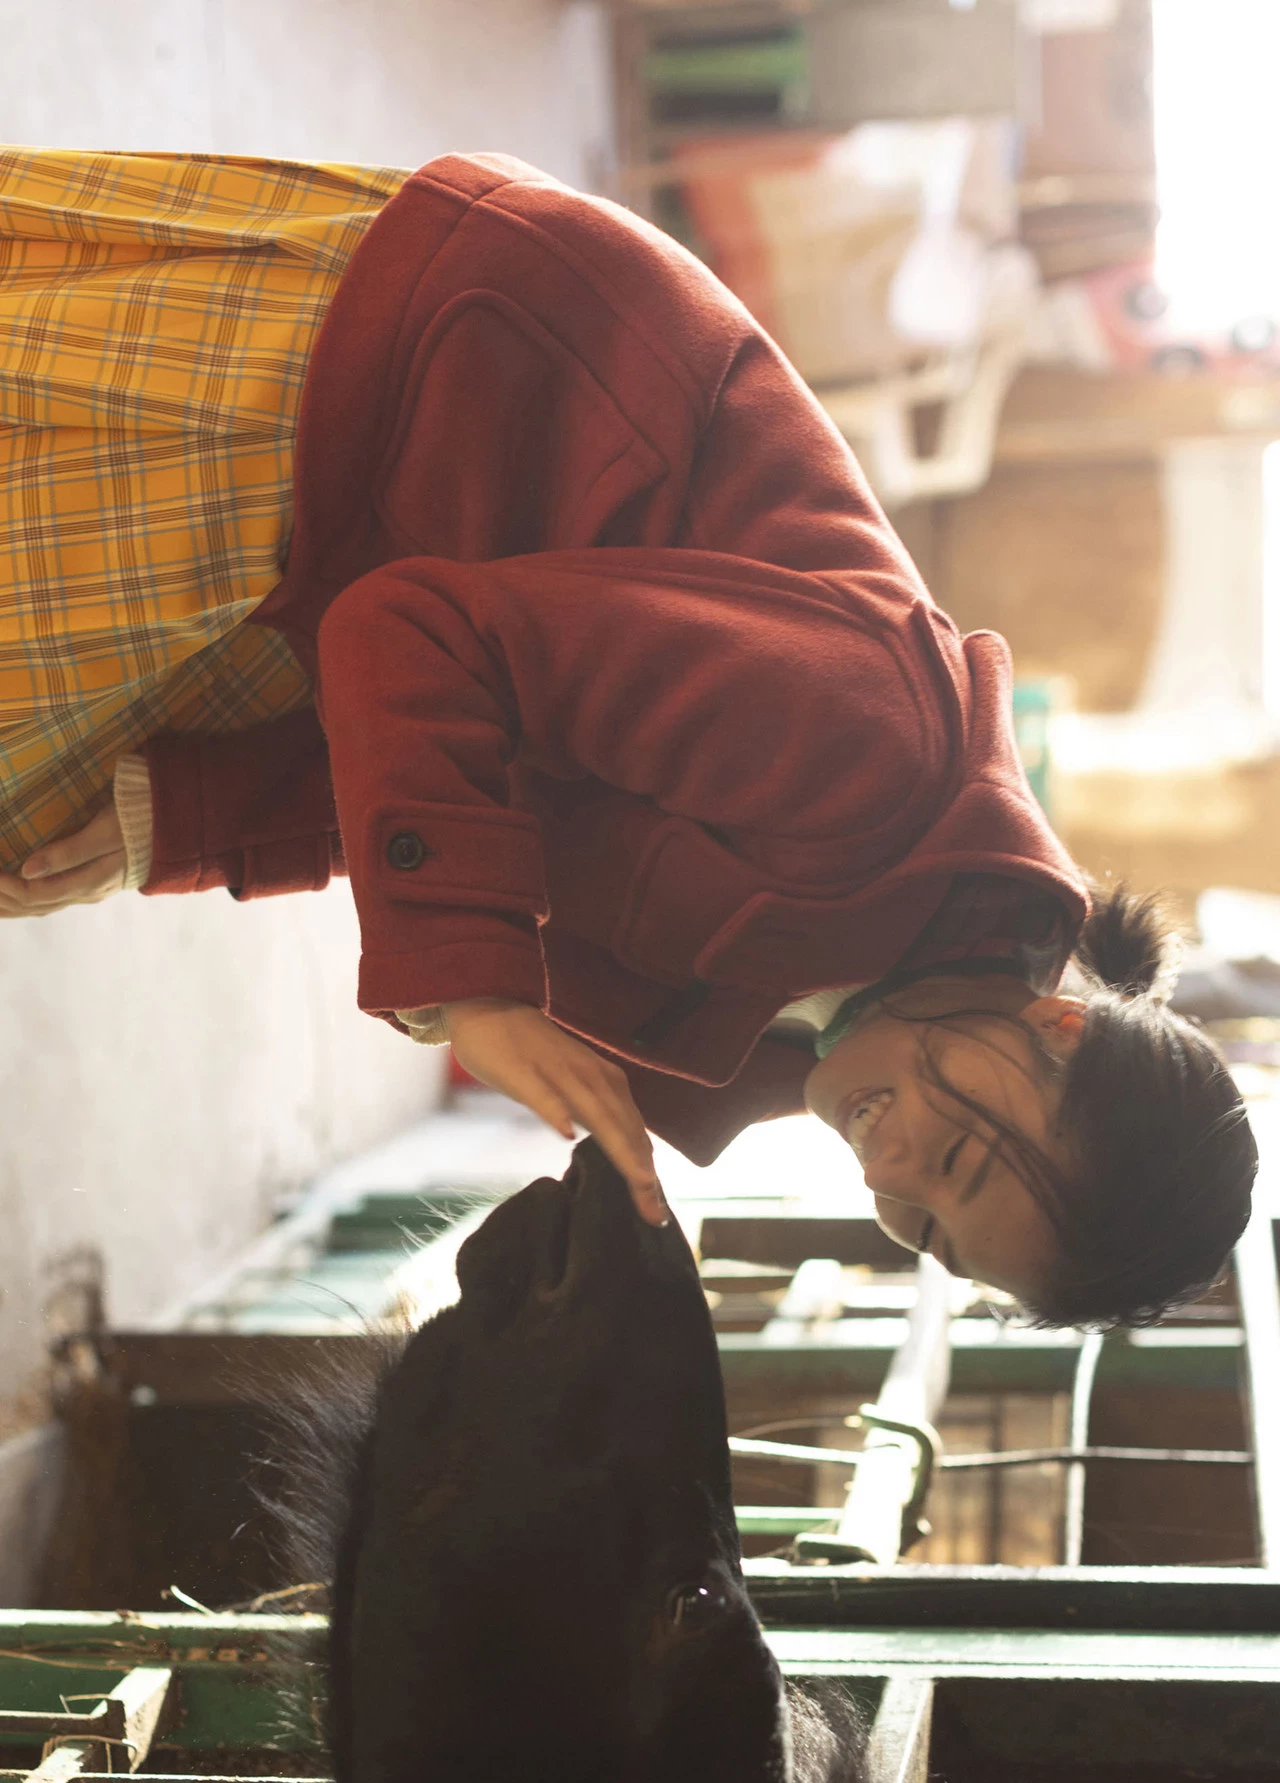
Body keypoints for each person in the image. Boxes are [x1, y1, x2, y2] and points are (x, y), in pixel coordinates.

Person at [0, 150, 1256, 1322]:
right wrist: (475, 978)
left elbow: (472, 781)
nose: (890, 1172)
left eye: (923, 1228)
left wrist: (185, 818)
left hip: (387, 559)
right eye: (966, 1159)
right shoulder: (876, 763)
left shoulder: (780, 1040)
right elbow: (426, 636)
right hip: (433, 381)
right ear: (1057, 1029)